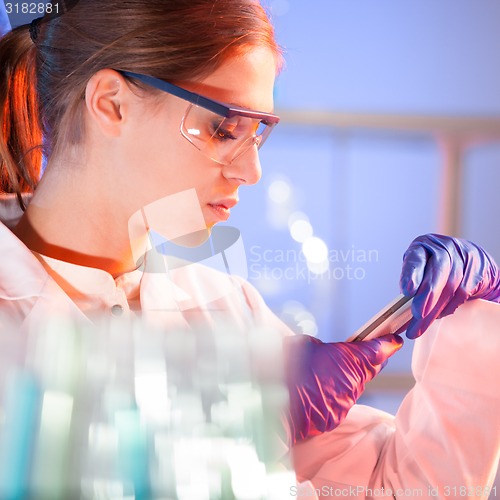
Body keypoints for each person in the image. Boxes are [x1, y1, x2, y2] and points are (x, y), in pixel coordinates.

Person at [0, 0, 498, 496]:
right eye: (222, 128)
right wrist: (240, 432)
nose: (251, 172)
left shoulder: (223, 307)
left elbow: (402, 488)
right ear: (111, 103)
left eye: (257, 133)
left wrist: (473, 325)